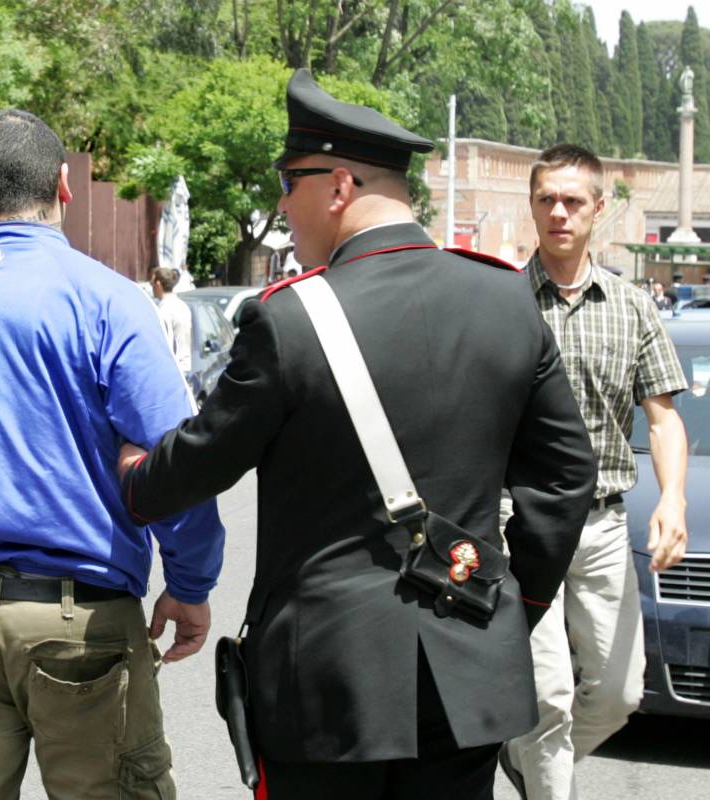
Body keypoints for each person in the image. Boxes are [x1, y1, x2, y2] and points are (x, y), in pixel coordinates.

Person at [117, 71, 596, 799]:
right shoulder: (506, 299)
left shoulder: (289, 319)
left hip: (326, 685)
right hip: (466, 668)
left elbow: (203, 459)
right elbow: (564, 479)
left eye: (289, 181)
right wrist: (507, 604)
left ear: (338, 186)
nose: (282, 203)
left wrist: (135, 474)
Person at [0, 108, 225, 799]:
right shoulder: (108, 301)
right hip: (82, 618)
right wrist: (189, 585)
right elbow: (170, 462)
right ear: (64, 186)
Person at [500, 144, 689, 800]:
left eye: (573, 201)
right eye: (547, 199)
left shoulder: (633, 306)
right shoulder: (500, 303)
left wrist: (673, 500)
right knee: (548, 696)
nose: (558, 212)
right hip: (520, 525)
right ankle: (543, 767)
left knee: (620, 694)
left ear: (598, 210)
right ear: (532, 205)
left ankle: (527, 759)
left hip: (605, 527)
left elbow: (662, 419)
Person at [151, 266, 192, 372]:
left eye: (152, 284)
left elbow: (162, 344)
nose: (152, 288)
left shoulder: (163, 311)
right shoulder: (183, 305)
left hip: (174, 369)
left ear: (158, 284)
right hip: (187, 365)